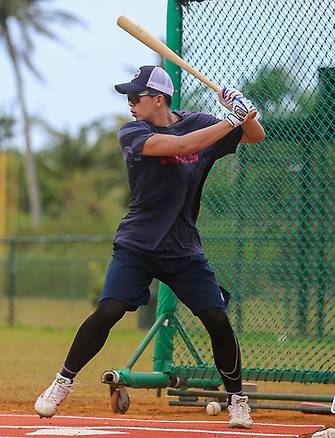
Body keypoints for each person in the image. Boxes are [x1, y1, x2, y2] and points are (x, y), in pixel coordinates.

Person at [34, 65, 265, 428]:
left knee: (217, 319)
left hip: (183, 248)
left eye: (135, 97)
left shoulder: (198, 121)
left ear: (159, 99)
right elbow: (181, 146)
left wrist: (243, 110)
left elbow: (255, 135)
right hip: (138, 244)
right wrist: (231, 119)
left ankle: (237, 399)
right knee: (110, 309)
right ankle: (63, 381)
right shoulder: (134, 132)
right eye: (128, 98)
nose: (129, 104)